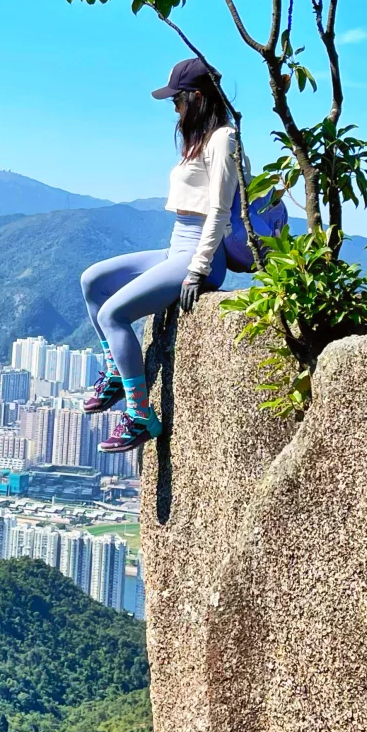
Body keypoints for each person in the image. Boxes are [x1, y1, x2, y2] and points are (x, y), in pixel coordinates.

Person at [80, 56, 241, 454]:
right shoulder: (199, 140)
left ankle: (140, 415)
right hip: (177, 245)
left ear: (197, 98)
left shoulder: (224, 139)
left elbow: (220, 211)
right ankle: (118, 373)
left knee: (113, 314)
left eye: (178, 99)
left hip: (201, 253)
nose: (174, 107)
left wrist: (198, 269)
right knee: (93, 281)